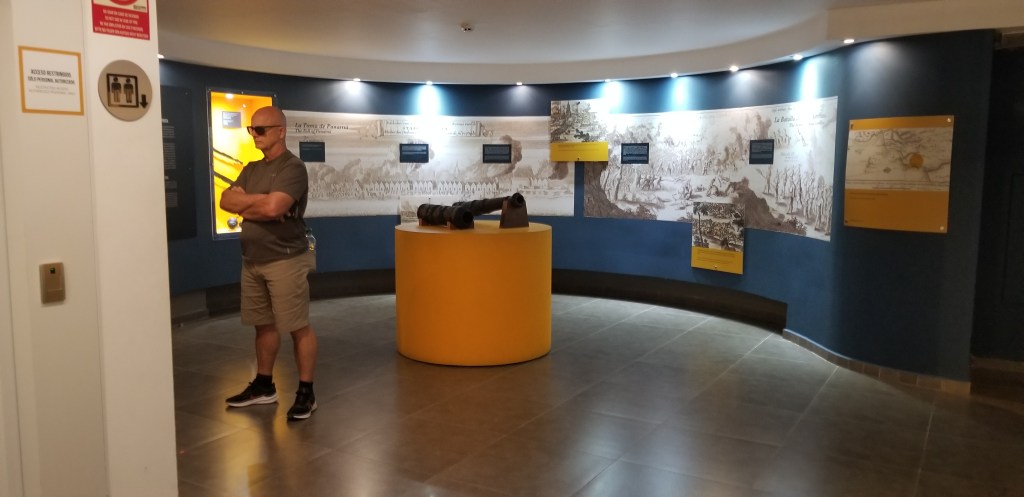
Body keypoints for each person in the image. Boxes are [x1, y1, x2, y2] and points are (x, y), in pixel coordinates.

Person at [219, 106, 318, 420]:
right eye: (252, 129)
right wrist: (261, 202)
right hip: (252, 260)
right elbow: (225, 201)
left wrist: (250, 203)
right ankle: (264, 385)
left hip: (285, 259)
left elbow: (275, 208)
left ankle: (306, 392)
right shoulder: (251, 169)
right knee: (263, 324)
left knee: (297, 326)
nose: (254, 135)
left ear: (281, 131)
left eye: (260, 130)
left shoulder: (293, 167)